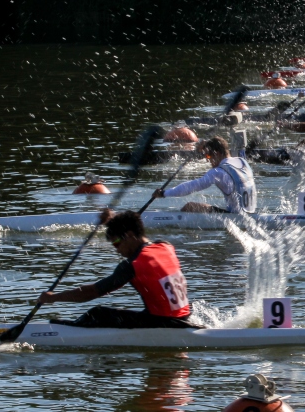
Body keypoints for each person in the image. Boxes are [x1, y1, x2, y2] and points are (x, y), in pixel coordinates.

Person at [39, 209, 198, 328]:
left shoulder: (132, 265)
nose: (117, 249)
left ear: (129, 235)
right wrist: (112, 221)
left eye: (116, 243)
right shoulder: (166, 246)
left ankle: (66, 332)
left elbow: (92, 292)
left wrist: (53, 298)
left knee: (98, 314)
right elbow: (132, 222)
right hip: (183, 318)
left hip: (163, 324)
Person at [153, 136, 257, 213]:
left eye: (208, 156)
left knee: (189, 207)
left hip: (234, 217)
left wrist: (164, 193)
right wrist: (204, 145)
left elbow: (191, 186)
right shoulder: (242, 162)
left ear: (217, 154)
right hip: (250, 214)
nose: (208, 160)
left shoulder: (218, 172)